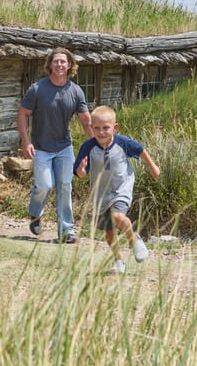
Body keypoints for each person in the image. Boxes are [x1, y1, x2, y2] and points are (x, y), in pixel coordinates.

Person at [18, 47, 93, 243]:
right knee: (44, 185)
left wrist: (94, 147)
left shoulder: (75, 91)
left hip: (64, 147)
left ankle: (66, 231)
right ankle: (35, 213)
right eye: (56, 61)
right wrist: (26, 142)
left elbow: (86, 121)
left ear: (70, 65)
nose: (59, 64)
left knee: (65, 186)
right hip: (41, 147)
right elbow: (23, 114)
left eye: (63, 61)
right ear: (50, 65)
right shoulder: (37, 89)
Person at [74, 105, 161, 274]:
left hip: (122, 187)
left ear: (115, 127)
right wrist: (82, 170)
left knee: (118, 216)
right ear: (91, 128)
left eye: (106, 128)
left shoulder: (122, 143)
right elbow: (81, 173)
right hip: (100, 195)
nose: (101, 132)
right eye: (97, 128)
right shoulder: (88, 147)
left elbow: (140, 150)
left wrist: (153, 167)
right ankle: (118, 261)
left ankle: (134, 240)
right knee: (108, 233)